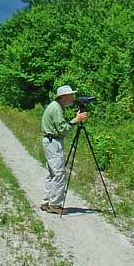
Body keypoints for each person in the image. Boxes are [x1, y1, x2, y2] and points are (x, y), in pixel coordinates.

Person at [40, 85, 88, 214]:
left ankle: (46, 201)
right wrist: (76, 120)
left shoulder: (55, 106)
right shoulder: (56, 109)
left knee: (52, 173)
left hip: (50, 141)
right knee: (59, 173)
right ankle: (55, 205)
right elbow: (62, 130)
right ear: (64, 97)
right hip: (53, 142)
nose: (73, 97)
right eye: (71, 95)